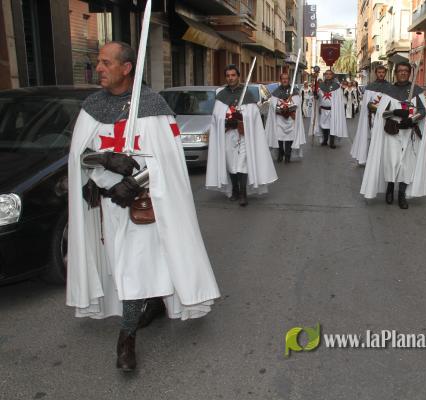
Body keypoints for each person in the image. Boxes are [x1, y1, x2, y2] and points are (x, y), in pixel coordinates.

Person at [67, 41, 220, 372]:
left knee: (133, 269)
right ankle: (154, 303)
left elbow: (168, 162)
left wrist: (134, 183)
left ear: (126, 68)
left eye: (106, 63)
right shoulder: (92, 107)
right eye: (98, 62)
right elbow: (79, 156)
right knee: (121, 266)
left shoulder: (153, 107)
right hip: (107, 206)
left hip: (141, 204)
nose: (99, 68)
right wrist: (105, 159)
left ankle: (126, 340)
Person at [205, 64, 277, 206]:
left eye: (233, 75)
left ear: (238, 76)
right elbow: (216, 118)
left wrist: (241, 119)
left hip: (244, 136)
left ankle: (243, 194)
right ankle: (235, 190)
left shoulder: (247, 95)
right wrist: (226, 120)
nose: (230, 78)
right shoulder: (221, 96)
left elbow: (253, 117)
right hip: (227, 136)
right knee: (231, 164)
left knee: (242, 164)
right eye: (228, 76)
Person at [359, 61, 426, 209]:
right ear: (395, 73)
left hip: (409, 134)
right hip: (392, 132)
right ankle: (390, 188)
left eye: (406, 71)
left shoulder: (416, 91)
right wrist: (395, 112)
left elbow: (423, 111)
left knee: (406, 166)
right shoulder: (388, 91)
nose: (403, 73)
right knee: (391, 163)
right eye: (400, 70)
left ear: (409, 73)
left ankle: (401, 194)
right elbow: (379, 111)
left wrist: (411, 119)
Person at [350, 65, 392, 165]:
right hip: (372, 117)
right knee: (372, 137)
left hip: (385, 117)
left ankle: (382, 160)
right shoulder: (370, 87)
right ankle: (371, 159)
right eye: (379, 72)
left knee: (384, 138)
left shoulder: (390, 87)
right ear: (376, 73)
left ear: (385, 73)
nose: (381, 74)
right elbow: (367, 104)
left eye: (383, 72)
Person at [265, 72, 306, 163]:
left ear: (289, 80)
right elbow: (272, 105)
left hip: (290, 119)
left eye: (286, 78)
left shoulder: (294, 92)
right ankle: (281, 153)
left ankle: (287, 155)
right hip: (279, 119)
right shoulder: (276, 92)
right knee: (279, 137)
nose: (284, 80)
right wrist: (280, 108)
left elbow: (297, 104)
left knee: (289, 137)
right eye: (283, 78)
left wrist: (289, 108)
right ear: (280, 80)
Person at [308, 69, 348, 149]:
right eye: (326, 74)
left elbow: (339, 99)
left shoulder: (337, 86)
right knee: (323, 125)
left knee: (332, 126)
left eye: (330, 74)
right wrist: (315, 94)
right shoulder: (320, 86)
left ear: (332, 75)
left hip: (333, 110)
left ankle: (332, 142)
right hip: (323, 110)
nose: (328, 75)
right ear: (324, 75)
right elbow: (317, 97)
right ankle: (325, 140)